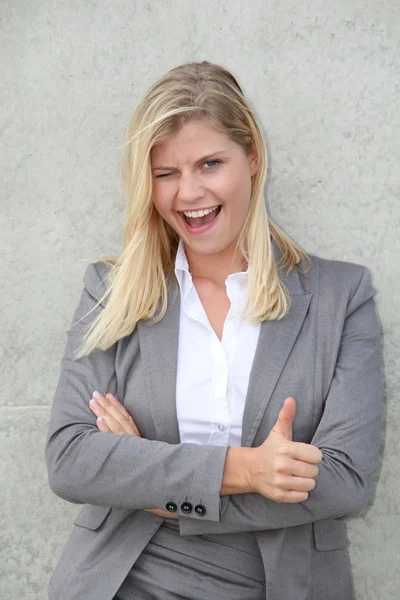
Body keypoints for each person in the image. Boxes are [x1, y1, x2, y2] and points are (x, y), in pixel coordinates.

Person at [46, 61, 383, 600]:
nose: (188, 193)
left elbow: (342, 482)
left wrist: (147, 478)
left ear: (253, 156)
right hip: (126, 576)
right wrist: (248, 469)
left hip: (283, 582)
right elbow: (71, 460)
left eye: (209, 163)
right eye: (165, 174)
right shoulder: (111, 291)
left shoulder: (341, 297)